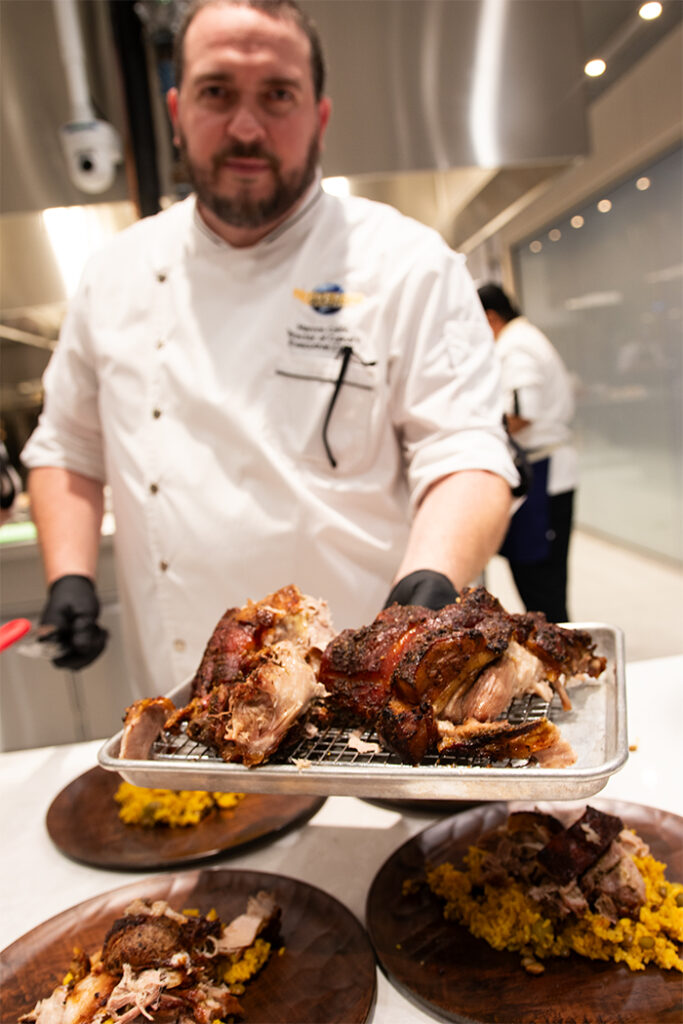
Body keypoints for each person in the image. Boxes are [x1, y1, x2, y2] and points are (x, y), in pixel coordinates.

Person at [21, 0, 518, 697]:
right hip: (181, 701)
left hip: (366, 690)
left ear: (318, 114)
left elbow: (465, 453)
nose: (246, 128)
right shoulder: (114, 273)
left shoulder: (406, 262)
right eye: (216, 92)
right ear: (176, 109)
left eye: (277, 96)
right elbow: (67, 448)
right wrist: (69, 575)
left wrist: (426, 587)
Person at [477, 283, 578, 622]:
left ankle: (558, 661)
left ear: (490, 318)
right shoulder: (523, 338)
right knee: (540, 583)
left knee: (542, 586)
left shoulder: (516, 345)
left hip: (543, 476)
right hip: (542, 472)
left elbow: (522, 413)